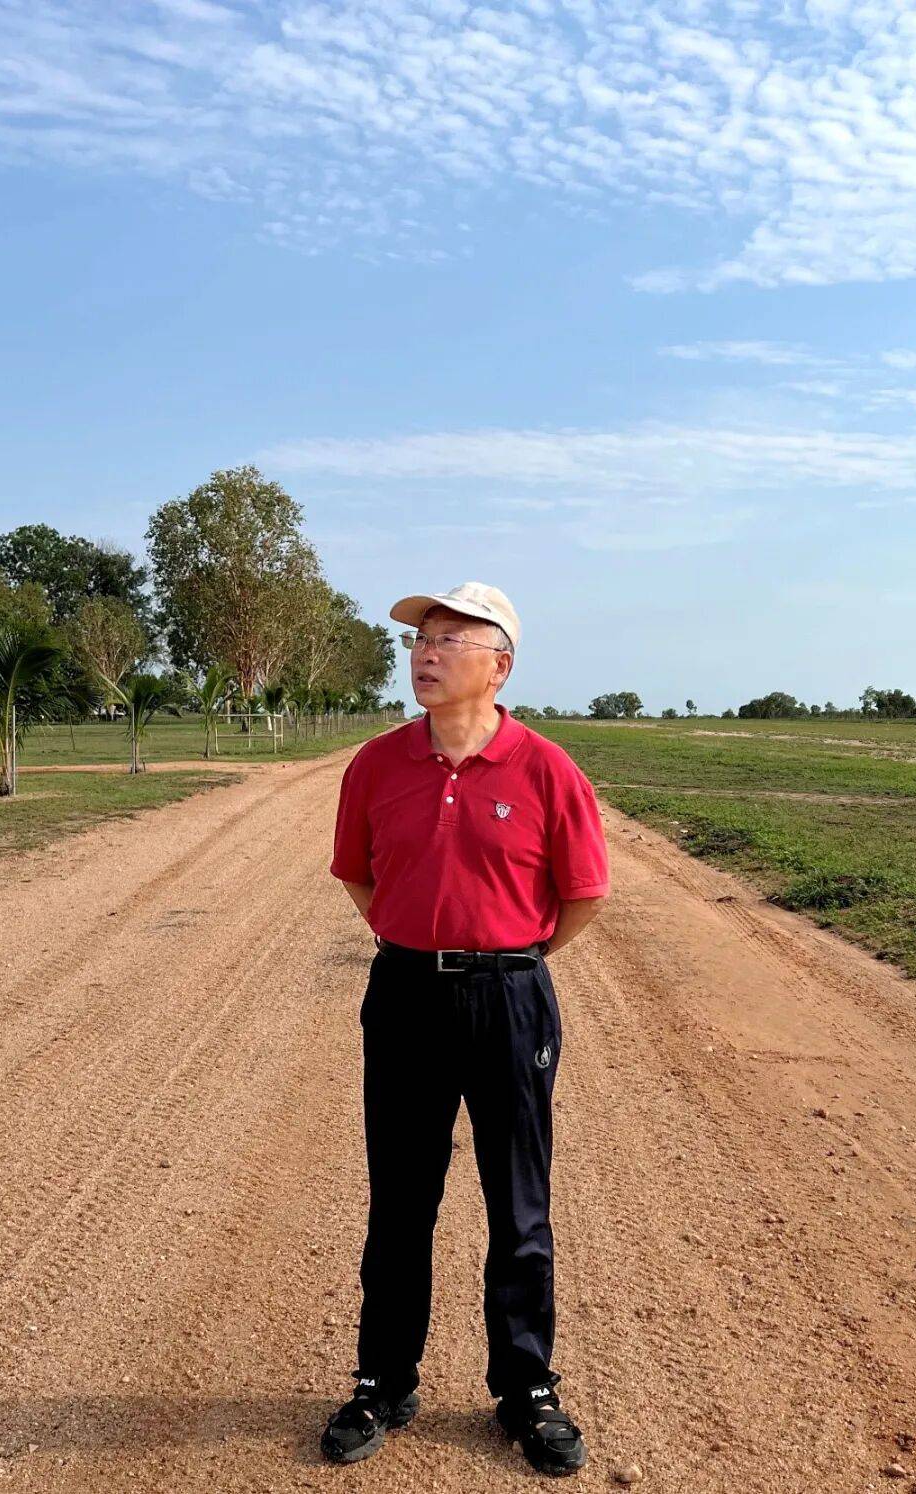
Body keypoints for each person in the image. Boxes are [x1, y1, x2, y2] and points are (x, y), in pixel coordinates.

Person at [320, 580, 610, 1476]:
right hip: (406, 993)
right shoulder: (377, 764)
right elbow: (359, 874)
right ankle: (383, 1379)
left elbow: (583, 894)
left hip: (510, 998)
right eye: (421, 640)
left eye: (451, 639)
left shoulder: (546, 769)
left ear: (500, 666)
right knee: (401, 1199)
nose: (427, 653)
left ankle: (526, 1389)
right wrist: (417, 942)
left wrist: (510, 959)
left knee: (518, 1204)